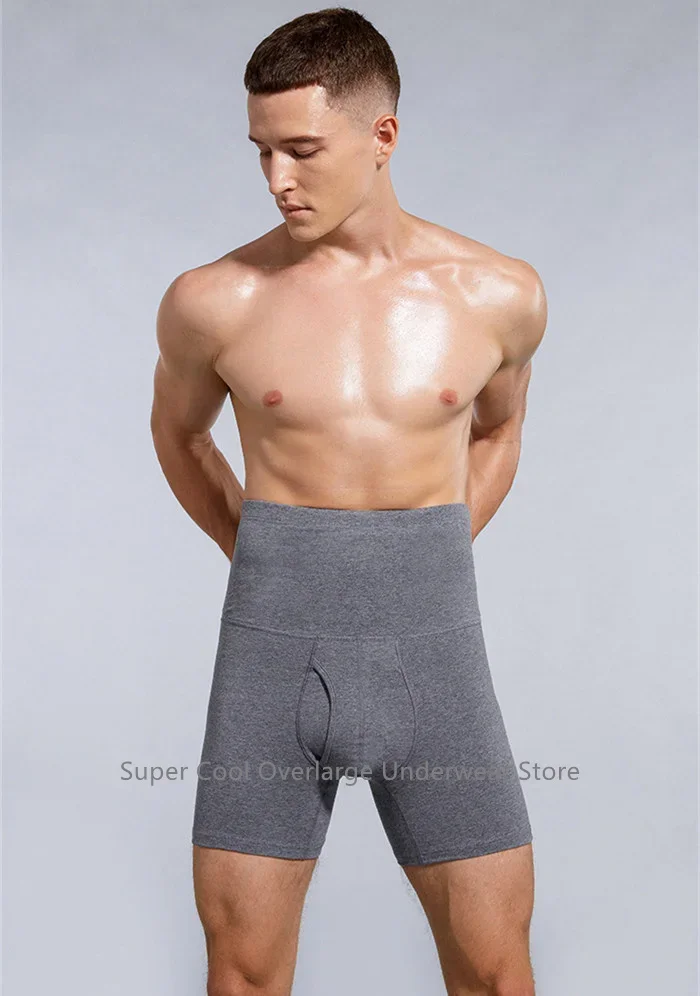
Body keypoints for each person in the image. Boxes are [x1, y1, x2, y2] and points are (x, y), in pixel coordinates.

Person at [150, 7, 547, 995]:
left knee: (496, 972)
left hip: (435, 654)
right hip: (271, 658)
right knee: (242, 973)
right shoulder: (214, 300)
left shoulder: (497, 295)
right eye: (261, 151)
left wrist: (424, 558)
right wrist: (265, 553)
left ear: (382, 136)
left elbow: (498, 433)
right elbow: (180, 436)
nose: (276, 178)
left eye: (301, 150)